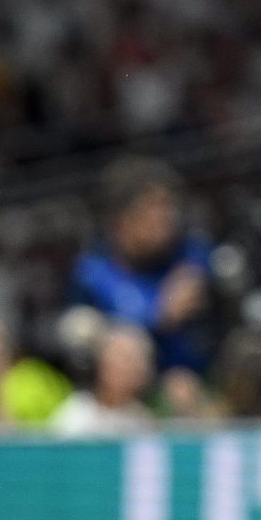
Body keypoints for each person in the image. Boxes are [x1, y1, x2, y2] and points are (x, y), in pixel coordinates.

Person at [71, 157, 218, 399]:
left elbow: (206, 262)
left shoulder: (189, 255)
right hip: (131, 402)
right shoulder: (93, 275)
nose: (165, 219)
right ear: (121, 221)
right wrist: (160, 317)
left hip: (199, 393)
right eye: (152, 208)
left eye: (169, 207)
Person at [49, 321, 156, 435]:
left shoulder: (142, 421)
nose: (130, 369)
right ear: (101, 363)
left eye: (135, 362)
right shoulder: (76, 412)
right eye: (123, 359)